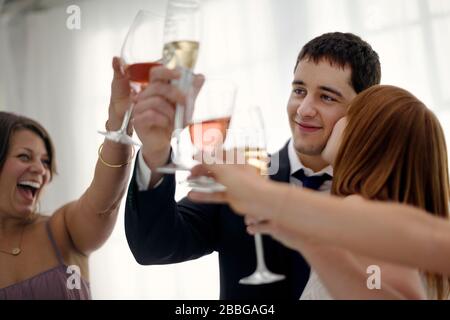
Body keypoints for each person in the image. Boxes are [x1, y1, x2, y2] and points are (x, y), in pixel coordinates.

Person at [124, 32, 381, 299]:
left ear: (362, 111)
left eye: (326, 97)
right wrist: (156, 152)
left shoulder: (380, 197)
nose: (304, 109)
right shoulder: (238, 177)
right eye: (299, 90)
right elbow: (153, 245)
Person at [188, 85, 450, 299]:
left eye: (348, 113)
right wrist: (310, 242)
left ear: (366, 134)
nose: (305, 110)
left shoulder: (360, 209)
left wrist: (261, 194)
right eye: (299, 90)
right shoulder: (409, 224)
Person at [0, 57, 133, 299]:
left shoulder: (62, 230)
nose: (41, 170)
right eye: (24, 156)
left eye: (46, 161)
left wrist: (119, 125)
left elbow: (105, 201)